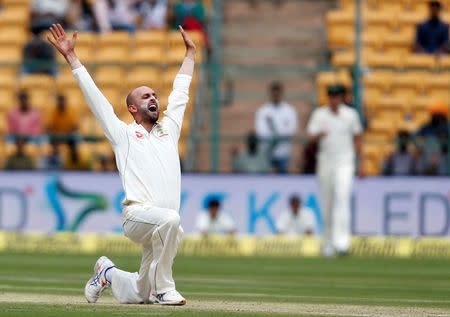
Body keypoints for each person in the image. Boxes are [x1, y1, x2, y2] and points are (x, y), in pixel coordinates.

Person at [47, 23, 195, 305]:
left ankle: (107, 272)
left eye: (154, 94)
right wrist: (72, 58)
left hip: (161, 226)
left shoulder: (169, 129)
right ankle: (164, 288)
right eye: (145, 96)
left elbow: (180, 94)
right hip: (137, 217)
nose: (153, 98)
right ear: (132, 109)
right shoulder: (123, 134)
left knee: (141, 292)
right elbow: (96, 100)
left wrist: (190, 54)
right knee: (172, 221)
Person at [306, 84, 364, 257]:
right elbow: (310, 136)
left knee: (342, 197)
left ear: (342, 97)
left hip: (345, 163)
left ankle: (343, 243)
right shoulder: (319, 114)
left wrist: (362, 164)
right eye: (331, 96)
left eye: (337, 96)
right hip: (325, 163)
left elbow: (358, 139)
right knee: (327, 204)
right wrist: (318, 136)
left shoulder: (350, 115)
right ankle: (328, 243)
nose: (334, 100)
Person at [255, 82, 298, 174]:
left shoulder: (289, 110)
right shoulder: (263, 110)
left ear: (281, 93)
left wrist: (277, 135)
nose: (276, 95)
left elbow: (291, 130)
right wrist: (275, 136)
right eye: (274, 92)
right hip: (267, 152)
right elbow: (260, 131)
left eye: (277, 92)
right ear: (270, 93)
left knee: (283, 180)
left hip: (283, 152)